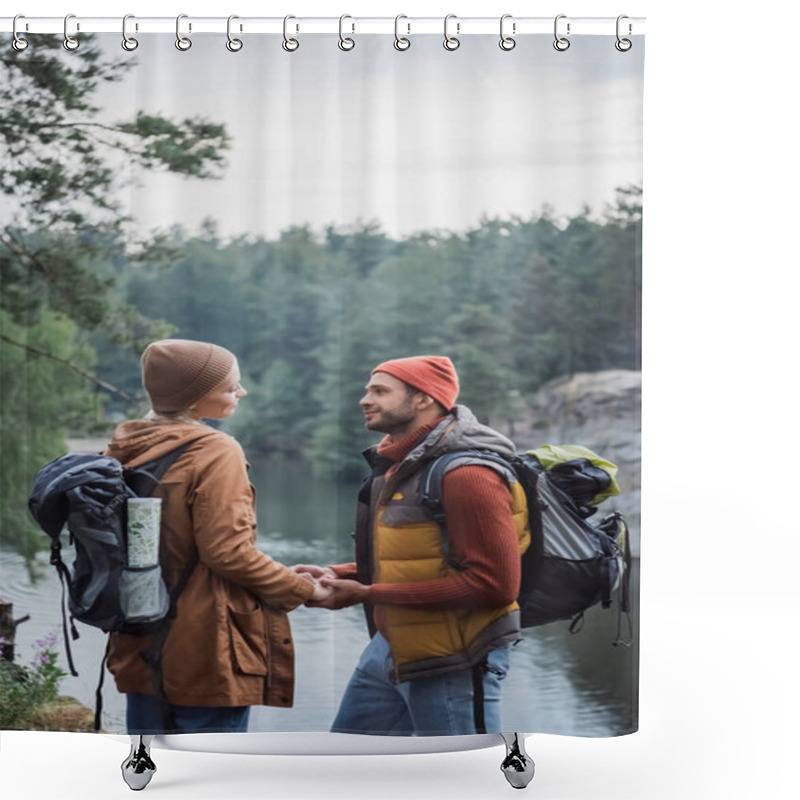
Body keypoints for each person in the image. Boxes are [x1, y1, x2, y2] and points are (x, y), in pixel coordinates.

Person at [296, 355, 530, 736]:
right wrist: (338, 573)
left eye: (380, 391)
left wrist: (367, 593)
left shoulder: (469, 475)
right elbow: (419, 560)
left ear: (423, 399)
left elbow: (494, 586)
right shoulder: (400, 463)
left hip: (454, 659)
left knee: (461, 779)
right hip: (391, 647)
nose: (364, 399)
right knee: (345, 766)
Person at [105, 339, 329, 734]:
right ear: (193, 399)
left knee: (150, 776)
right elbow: (228, 553)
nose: (241, 392)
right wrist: (303, 589)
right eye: (230, 387)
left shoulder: (126, 446)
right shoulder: (215, 450)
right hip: (206, 648)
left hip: (140, 639)